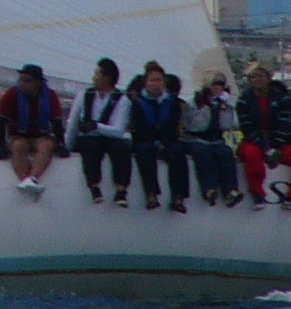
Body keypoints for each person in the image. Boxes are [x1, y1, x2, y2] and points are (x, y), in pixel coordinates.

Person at [236, 63, 291, 209]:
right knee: (251, 155)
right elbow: (246, 127)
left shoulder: (280, 97)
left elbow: (286, 124)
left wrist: (276, 146)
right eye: (253, 77)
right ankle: (257, 194)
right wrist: (265, 148)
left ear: (269, 77)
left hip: (277, 142)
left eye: (261, 75)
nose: (257, 79)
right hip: (254, 141)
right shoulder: (244, 99)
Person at [66, 56, 133, 204]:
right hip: (89, 138)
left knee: (121, 148)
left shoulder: (122, 100)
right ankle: (94, 186)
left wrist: (96, 126)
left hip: (110, 139)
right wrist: (68, 146)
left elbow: (118, 131)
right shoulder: (84, 95)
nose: (93, 77)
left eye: (97, 74)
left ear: (107, 77)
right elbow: (73, 123)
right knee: (89, 145)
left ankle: (121, 190)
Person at [129, 63, 193, 213]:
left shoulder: (172, 102)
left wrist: (163, 142)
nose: (156, 84)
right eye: (152, 80)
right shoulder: (138, 103)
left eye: (159, 80)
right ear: (146, 82)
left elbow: (172, 126)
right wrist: (155, 142)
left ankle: (178, 196)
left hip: (167, 140)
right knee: (144, 151)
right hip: (146, 140)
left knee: (177, 151)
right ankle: (151, 194)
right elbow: (139, 128)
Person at [0, 63, 64, 194]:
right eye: (21, 79)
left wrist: (61, 143)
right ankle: (25, 180)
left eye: (27, 81)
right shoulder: (11, 94)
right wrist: (1, 146)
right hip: (18, 136)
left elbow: (56, 122)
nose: (22, 83)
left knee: (46, 146)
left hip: (40, 136)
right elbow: (0, 121)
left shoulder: (50, 95)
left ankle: (33, 178)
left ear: (38, 82)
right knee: (18, 146)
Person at [185, 70, 244, 206]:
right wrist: (205, 108)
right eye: (213, 85)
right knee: (203, 153)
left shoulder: (225, 104)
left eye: (220, 85)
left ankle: (230, 190)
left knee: (225, 152)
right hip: (195, 138)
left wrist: (223, 108)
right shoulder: (194, 103)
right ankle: (209, 188)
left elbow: (227, 125)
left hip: (216, 139)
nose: (217, 88)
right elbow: (195, 126)